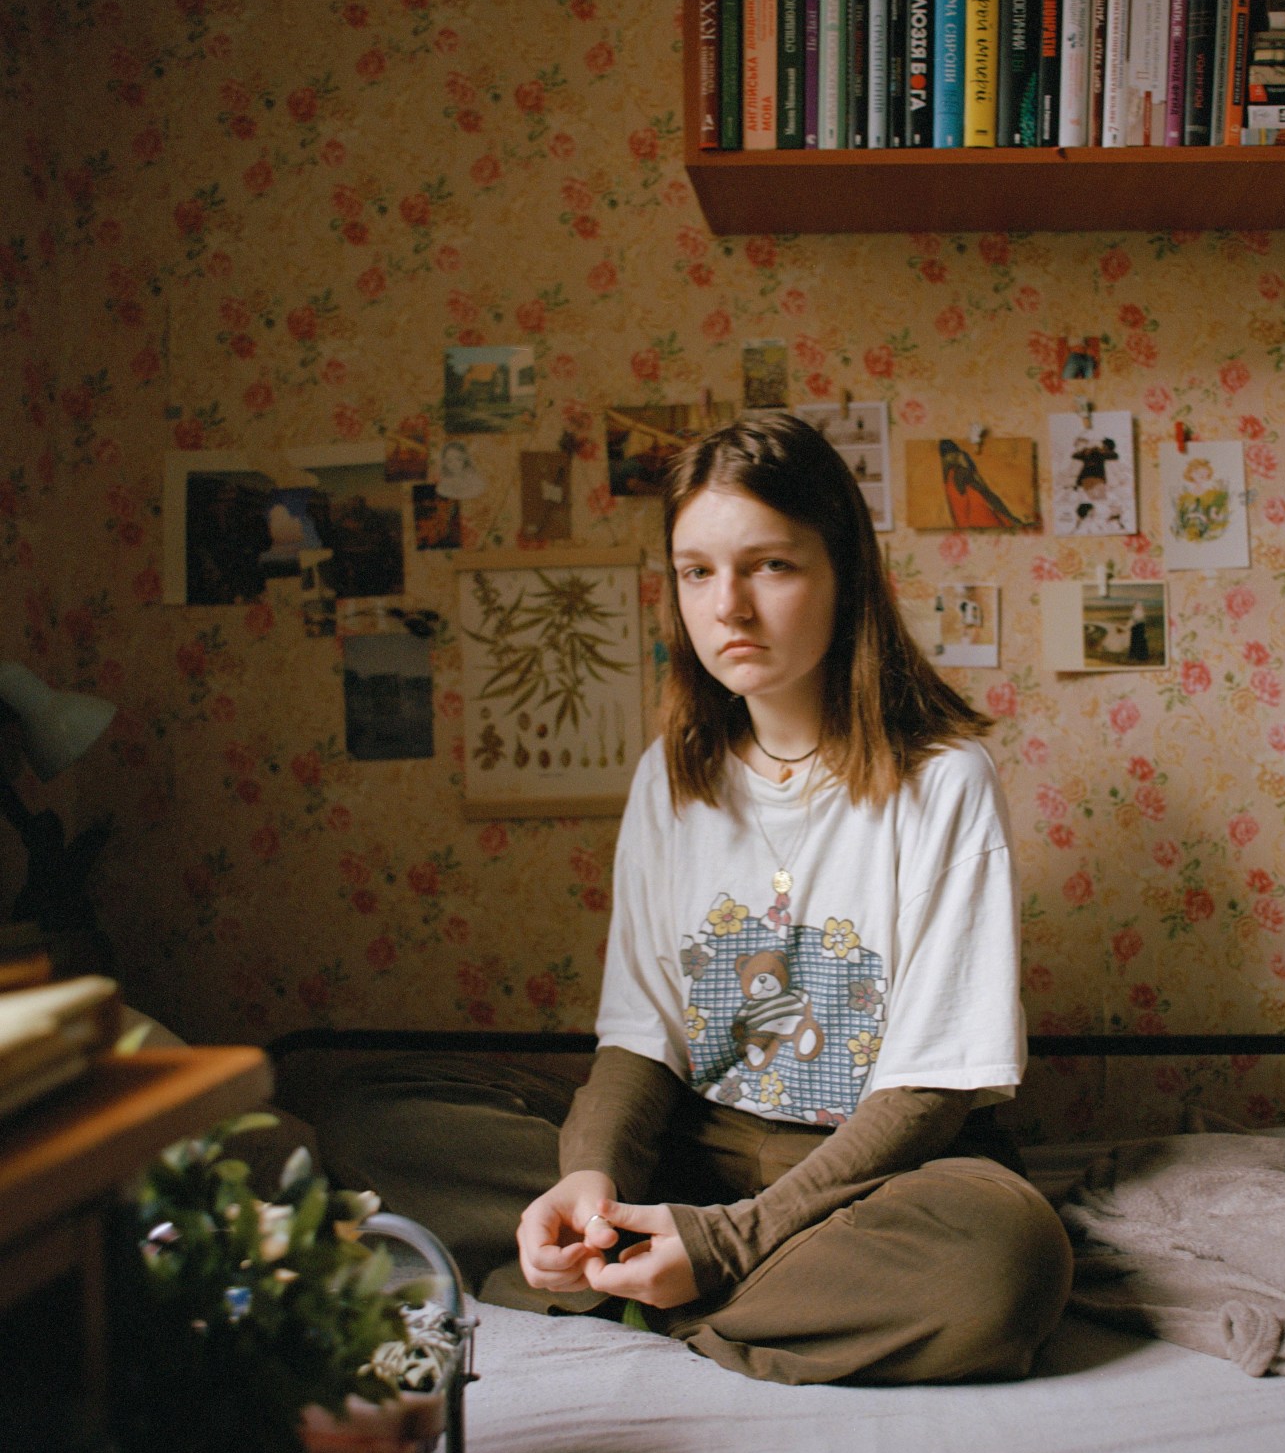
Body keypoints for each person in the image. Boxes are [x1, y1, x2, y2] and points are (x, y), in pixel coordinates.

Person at [312, 413, 1071, 1386]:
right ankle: (646, 1262)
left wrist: (724, 1243)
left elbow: (926, 1097)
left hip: (876, 1176)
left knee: (1005, 1259)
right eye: (697, 571)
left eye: (771, 566)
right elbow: (641, 1040)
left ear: (845, 574)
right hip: (696, 1151)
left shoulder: (945, 781)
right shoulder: (671, 781)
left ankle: (637, 1287)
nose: (730, 609)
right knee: (368, 1115)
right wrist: (590, 1182)